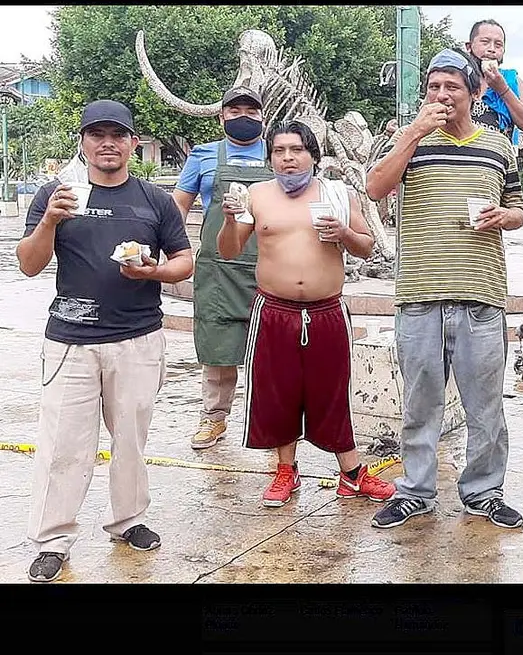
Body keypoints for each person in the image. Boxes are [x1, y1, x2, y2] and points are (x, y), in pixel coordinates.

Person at [17, 100, 195, 582]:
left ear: (133, 143)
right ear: (83, 142)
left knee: (132, 438)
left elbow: (184, 261)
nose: (108, 143)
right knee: (63, 443)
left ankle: (128, 520)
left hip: (138, 338)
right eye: (97, 134)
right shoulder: (58, 195)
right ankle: (52, 539)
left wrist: (152, 272)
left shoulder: (154, 199)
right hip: (70, 342)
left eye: (118, 134)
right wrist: (49, 221)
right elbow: (28, 264)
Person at [365, 49, 523, 530]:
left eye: (452, 87)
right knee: (420, 404)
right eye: (434, 87)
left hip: (481, 295)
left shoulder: (499, 147)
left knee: (486, 407)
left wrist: (505, 216)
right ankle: (415, 491)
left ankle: (484, 491)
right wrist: (412, 133)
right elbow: (374, 188)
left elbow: (519, 208)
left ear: (474, 94)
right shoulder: (409, 140)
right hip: (419, 295)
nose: (441, 95)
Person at [217, 120, 394, 508]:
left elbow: (367, 247)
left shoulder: (338, 193)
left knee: (333, 392)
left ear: (312, 155)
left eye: (296, 150)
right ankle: (285, 470)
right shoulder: (256, 196)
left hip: (327, 310)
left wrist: (344, 233)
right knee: (277, 392)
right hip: (274, 310)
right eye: (279, 151)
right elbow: (228, 251)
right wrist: (230, 219)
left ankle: (352, 474)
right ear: (270, 158)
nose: (288, 158)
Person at [172, 86, 270, 450]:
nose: (243, 117)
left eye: (251, 111)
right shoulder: (203, 155)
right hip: (219, 268)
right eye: (234, 111)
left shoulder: (278, 154)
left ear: (262, 116)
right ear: (221, 117)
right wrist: (172, 250)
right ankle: (214, 418)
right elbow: (178, 207)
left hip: (269, 265)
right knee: (218, 345)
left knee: (271, 350)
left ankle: (272, 425)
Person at [464, 19, 523, 142]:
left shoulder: (512, 81)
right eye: (485, 42)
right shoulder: (458, 79)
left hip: (499, 153)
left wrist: (503, 89)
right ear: (469, 47)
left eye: (498, 45)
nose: (492, 49)